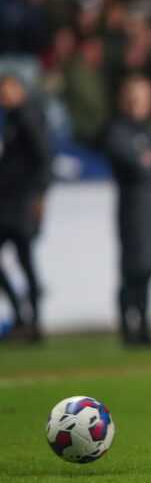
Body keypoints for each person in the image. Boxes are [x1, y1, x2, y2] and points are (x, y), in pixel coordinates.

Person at [106, 74, 151, 345]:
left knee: (148, 270)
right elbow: (137, 164)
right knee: (132, 269)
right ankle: (128, 327)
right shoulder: (119, 131)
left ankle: (144, 327)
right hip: (135, 210)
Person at [0, 73, 52, 342]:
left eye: (7, 89)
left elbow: (44, 157)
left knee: (26, 259)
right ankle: (26, 318)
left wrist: (39, 196)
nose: (4, 95)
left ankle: (31, 321)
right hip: (10, 203)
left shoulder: (28, 116)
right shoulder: (13, 118)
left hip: (22, 203)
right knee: (25, 259)